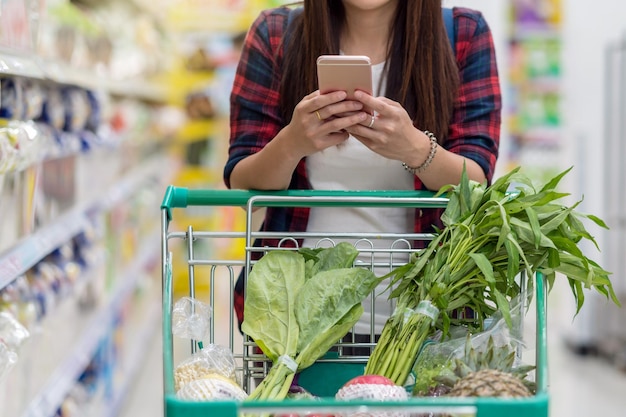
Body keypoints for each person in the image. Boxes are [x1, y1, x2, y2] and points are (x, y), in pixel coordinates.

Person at [224, 1, 501, 342]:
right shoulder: (275, 33)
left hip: (426, 321)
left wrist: (414, 148)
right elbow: (241, 182)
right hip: (296, 325)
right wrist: (293, 143)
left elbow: (476, 179)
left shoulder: (463, 33)